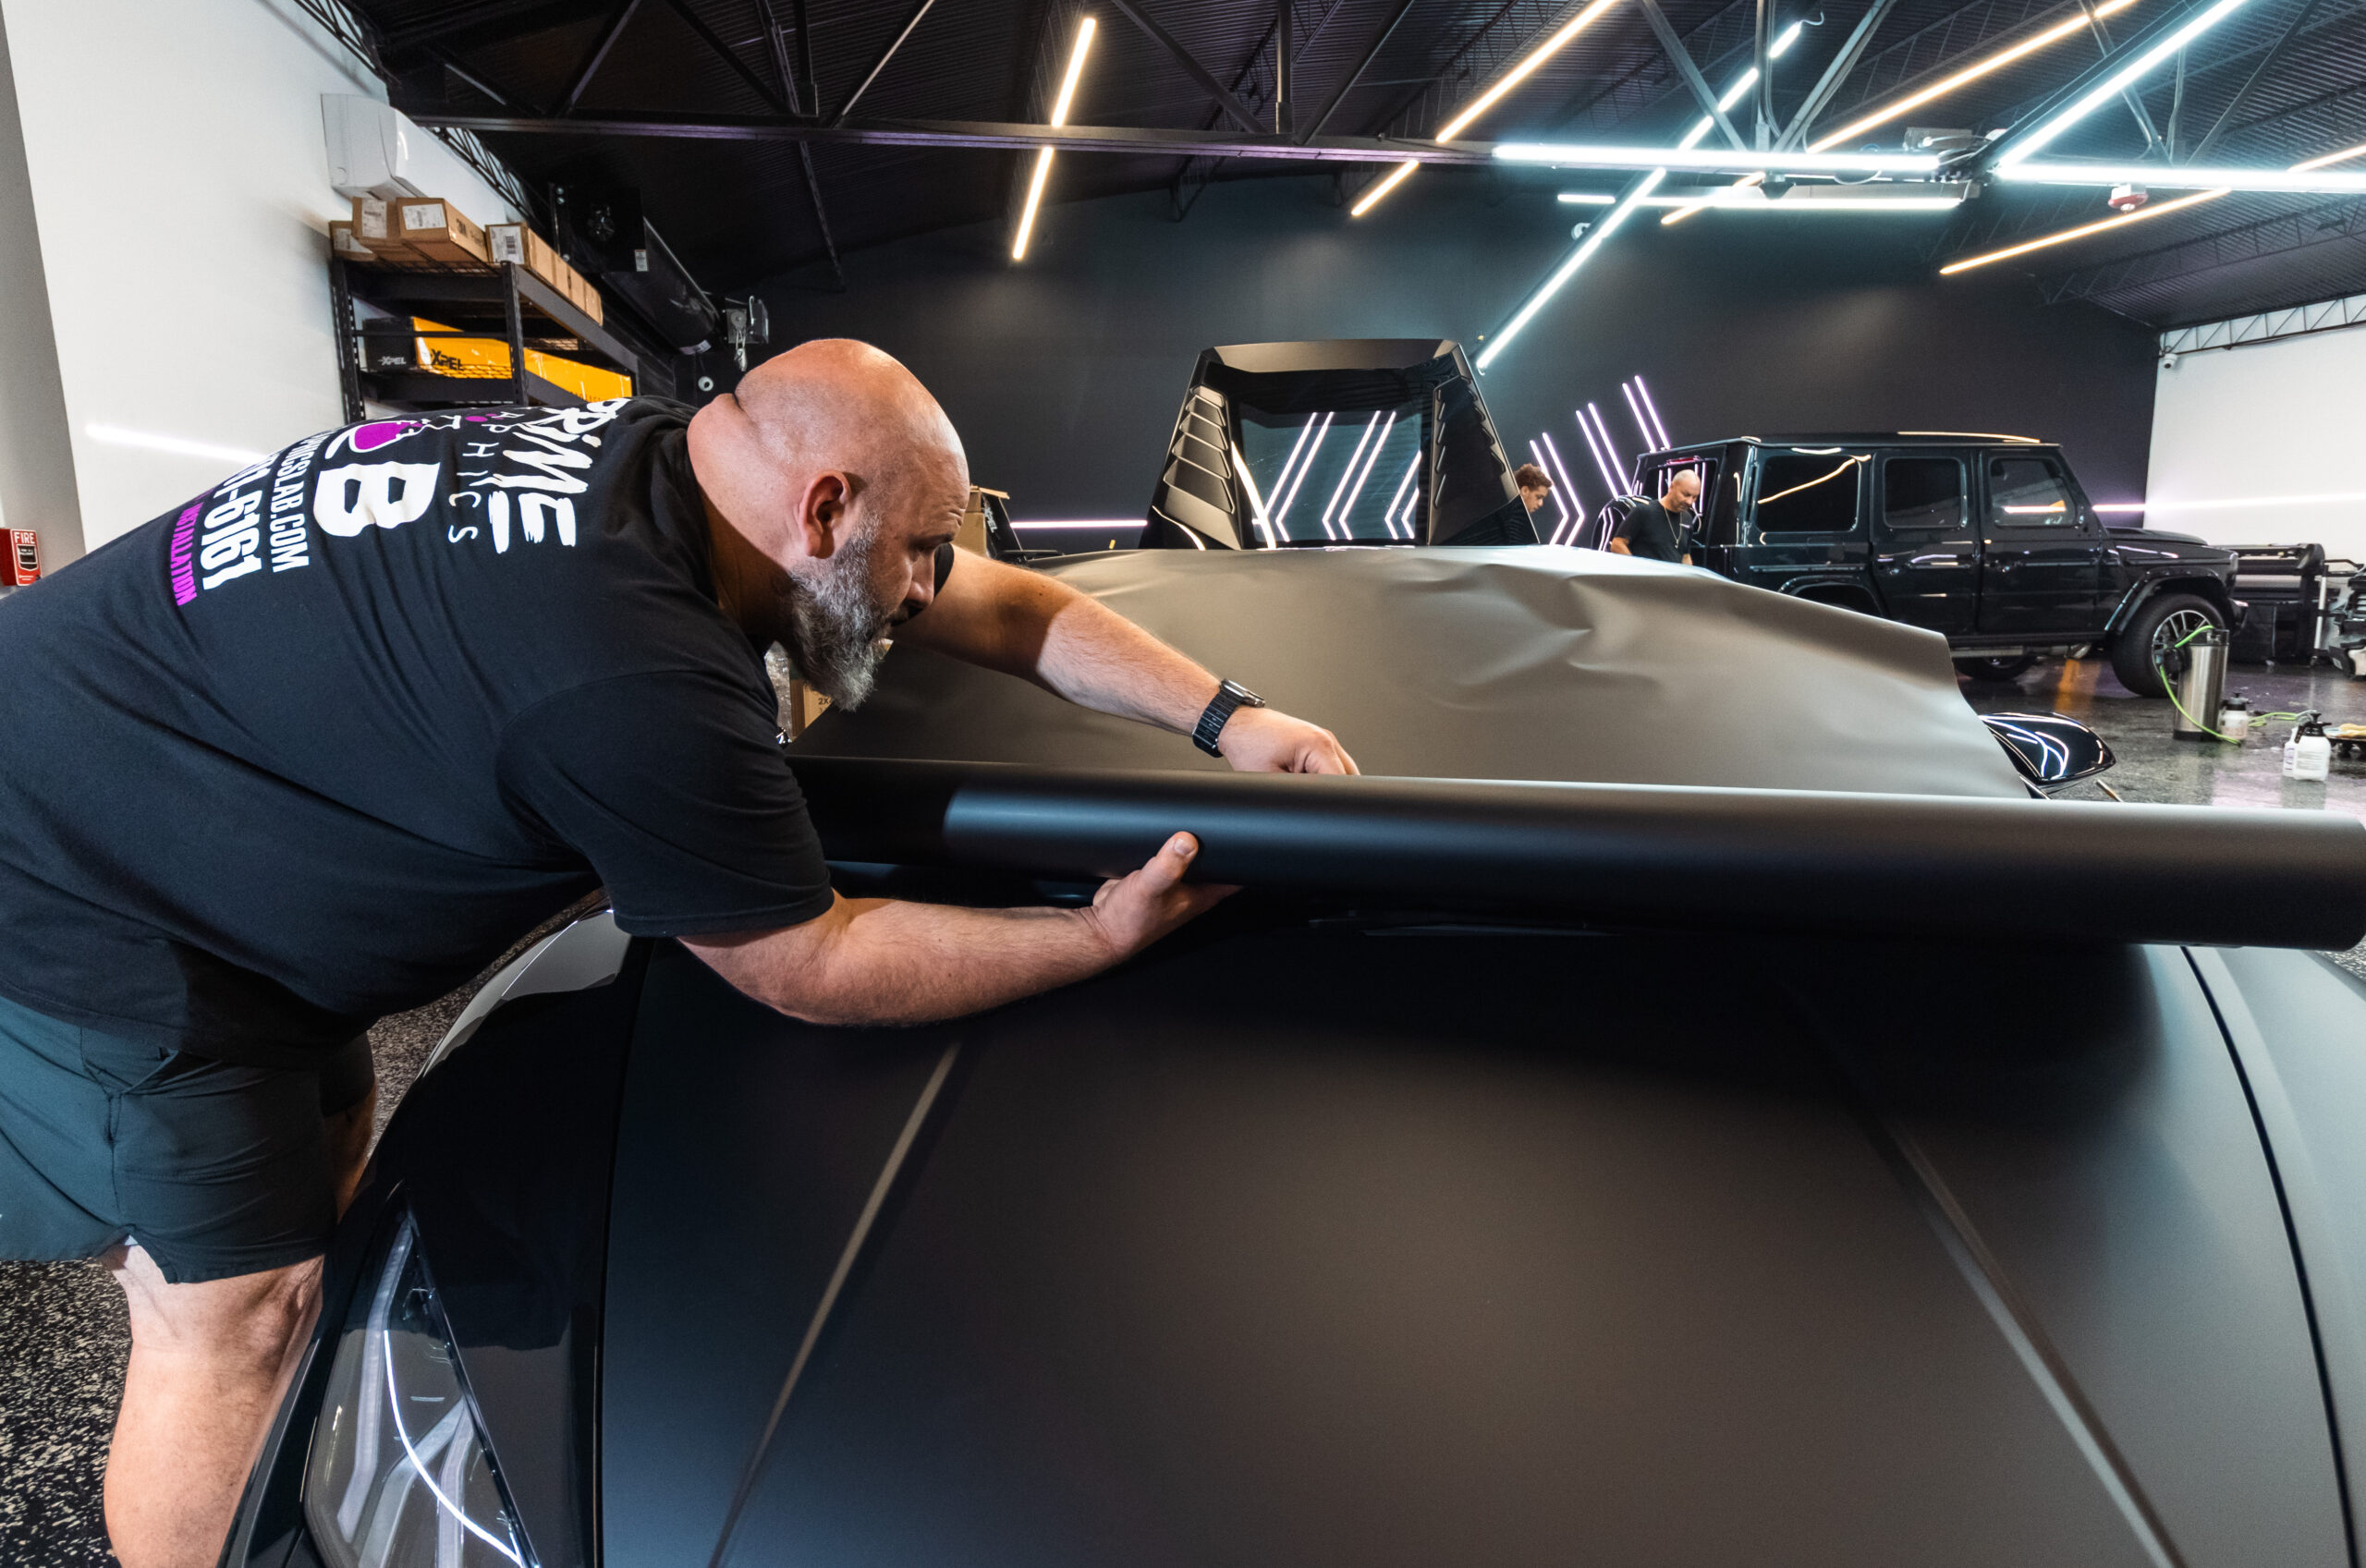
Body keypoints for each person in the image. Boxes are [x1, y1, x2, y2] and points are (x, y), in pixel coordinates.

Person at [0, 338, 1357, 1568]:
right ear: (822, 506)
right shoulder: (632, 668)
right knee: (235, 1311)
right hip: (75, 894)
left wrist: (1226, 716)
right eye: (918, 548)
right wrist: (1090, 930)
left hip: (153, 803)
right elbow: (807, 962)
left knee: (329, 1138)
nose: (929, 585)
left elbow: (991, 606)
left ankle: (314, 1460)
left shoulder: (661, 453)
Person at [1608, 468, 1701, 565]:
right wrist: (1638, 570)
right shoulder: (1644, 511)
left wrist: (1687, 576)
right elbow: (1617, 544)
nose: (1690, 501)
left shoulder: (1687, 518)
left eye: (1695, 497)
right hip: (1646, 578)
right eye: (1686, 494)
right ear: (1672, 487)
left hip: (1672, 579)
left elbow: (1685, 555)